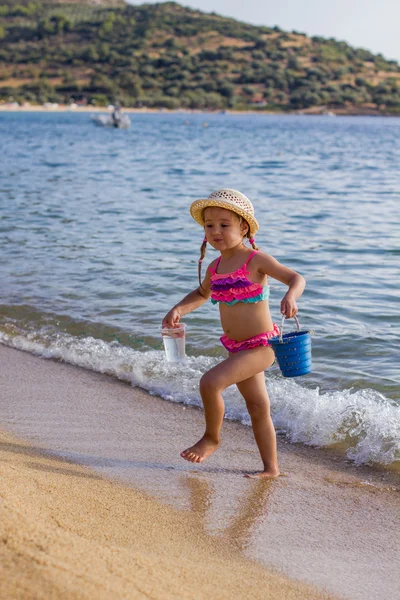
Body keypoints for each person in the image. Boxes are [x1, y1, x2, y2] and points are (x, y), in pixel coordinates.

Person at [162, 189, 306, 478]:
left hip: (262, 346)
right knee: (257, 406)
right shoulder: (215, 267)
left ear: (243, 227)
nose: (216, 231)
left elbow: (295, 277)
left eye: (224, 225)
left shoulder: (255, 260)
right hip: (236, 347)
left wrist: (291, 295)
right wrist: (179, 308)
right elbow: (202, 293)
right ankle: (271, 469)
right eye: (209, 225)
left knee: (210, 382)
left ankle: (211, 438)